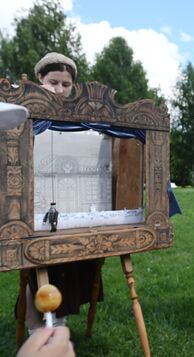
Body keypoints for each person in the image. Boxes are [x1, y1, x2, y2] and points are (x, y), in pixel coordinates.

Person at [22, 52, 103, 334]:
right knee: (39, 261)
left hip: (71, 204)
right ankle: (39, 328)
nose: (58, 89)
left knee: (74, 259)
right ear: (39, 80)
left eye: (65, 84)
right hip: (31, 208)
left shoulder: (80, 118)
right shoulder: (22, 114)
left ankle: (60, 320)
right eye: (52, 82)